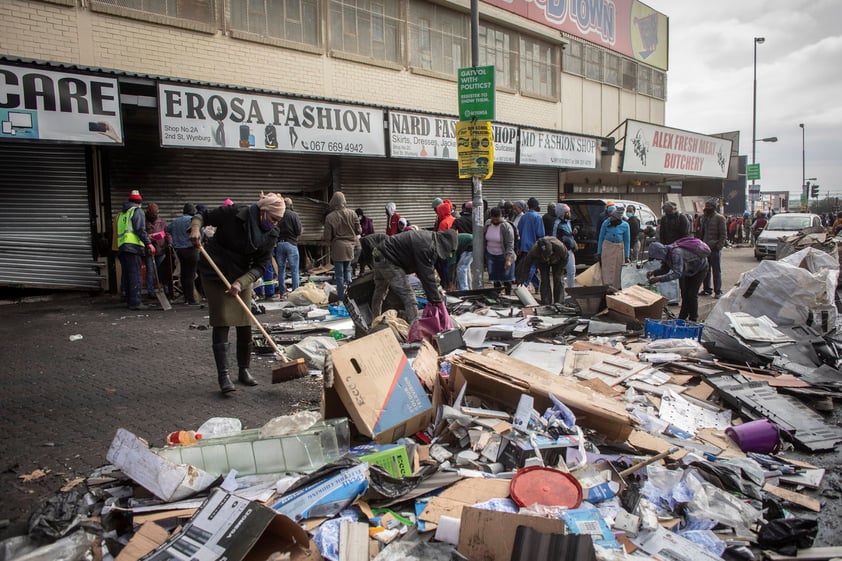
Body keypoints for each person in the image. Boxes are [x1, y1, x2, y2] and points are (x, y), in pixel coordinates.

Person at [189, 193, 284, 395]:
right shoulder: (234, 213)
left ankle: (244, 370)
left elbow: (261, 266)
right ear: (263, 212)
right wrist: (196, 228)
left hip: (242, 275)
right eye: (273, 218)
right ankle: (223, 376)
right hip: (215, 270)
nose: (275, 223)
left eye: (278, 220)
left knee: (245, 320)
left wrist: (241, 282)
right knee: (222, 320)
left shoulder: (271, 234)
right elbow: (202, 215)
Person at [370, 229, 457, 324]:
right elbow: (426, 275)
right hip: (388, 259)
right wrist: (436, 300)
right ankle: (415, 326)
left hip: (379, 254)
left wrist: (438, 290)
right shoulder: (427, 246)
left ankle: (375, 319)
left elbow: (430, 269)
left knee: (380, 290)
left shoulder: (430, 240)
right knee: (408, 295)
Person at [646, 241, 709, 323]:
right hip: (688, 270)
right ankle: (682, 318)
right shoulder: (666, 254)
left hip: (700, 269)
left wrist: (659, 279)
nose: (657, 259)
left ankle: (693, 319)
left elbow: (677, 273)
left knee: (692, 294)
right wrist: (654, 272)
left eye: (656, 257)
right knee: (685, 294)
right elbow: (665, 269)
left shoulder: (676, 253)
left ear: (659, 253)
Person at [117, 190, 156, 310]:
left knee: (128, 275)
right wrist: (149, 243)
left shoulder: (122, 213)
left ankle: (129, 300)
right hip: (132, 247)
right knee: (135, 275)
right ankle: (135, 302)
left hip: (122, 247)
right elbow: (139, 229)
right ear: (139, 202)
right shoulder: (136, 211)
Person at [324, 192, 361, 301]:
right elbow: (359, 230)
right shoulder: (352, 213)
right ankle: (350, 296)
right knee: (348, 270)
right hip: (350, 247)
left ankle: (341, 298)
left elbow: (327, 236)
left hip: (337, 248)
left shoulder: (330, 217)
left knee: (339, 275)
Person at [516, 236, 568, 305]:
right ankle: (546, 302)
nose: (547, 258)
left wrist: (560, 271)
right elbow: (527, 264)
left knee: (558, 279)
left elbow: (565, 258)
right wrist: (523, 279)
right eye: (545, 256)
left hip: (558, 261)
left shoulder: (560, 247)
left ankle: (559, 302)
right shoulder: (534, 251)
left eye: (549, 255)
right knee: (545, 280)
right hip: (542, 262)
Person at [166, 203, 201, 305]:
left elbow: (167, 230)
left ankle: (186, 298)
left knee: (184, 275)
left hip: (179, 251)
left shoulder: (176, 221)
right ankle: (191, 299)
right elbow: (200, 233)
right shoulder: (193, 221)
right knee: (191, 275)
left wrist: (175, 239)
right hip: (191, 249)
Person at [698, 199, 727, 298]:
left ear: (714, 208)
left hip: (714, 248)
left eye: (709, 207)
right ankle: (707, 289)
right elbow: (701, 233)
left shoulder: (720, 218)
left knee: (716, 270)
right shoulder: (704, 218)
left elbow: (723, 234)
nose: (707, 209)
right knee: (705, 270)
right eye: (706, 207)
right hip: (704, 248)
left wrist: (719, 246)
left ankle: (717, 291)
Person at [596, 205, 630, 289]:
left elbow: (627, 241)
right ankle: (607, 287)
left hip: (619, 248)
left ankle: (616, 288)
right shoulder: (606, 223)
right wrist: (599, 252)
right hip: (607, 247)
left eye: (612, 217)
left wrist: (626, 256)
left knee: (618, 270)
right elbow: (601, 238)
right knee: (607, 270)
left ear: (617, 219)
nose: (610, 218)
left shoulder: (625, 225)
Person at [275, 197, 302, 300]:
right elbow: (298, 231)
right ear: (291, 205)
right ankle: (295, 294)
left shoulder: (278, 215)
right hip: (291, 244)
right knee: (294, 270)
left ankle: (282, 294)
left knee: (281, 270)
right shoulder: (293, 215)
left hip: (280, 244)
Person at [484, 207, 516, 295]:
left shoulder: (506, 226)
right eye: (493, 218)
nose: (495, 220)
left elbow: (510, 244)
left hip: (504, 256)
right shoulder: (488, 224)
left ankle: (508, 296)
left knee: (506, 279)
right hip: (491, 255)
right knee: (495, 278)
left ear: (501, 216)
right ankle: (497, 296)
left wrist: (508, 259)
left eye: (497, 218)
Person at [517, 197, 545, 290]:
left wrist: (518, 246)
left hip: (524, 246)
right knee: (531, 266)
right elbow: (540, 234)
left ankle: (536, 284)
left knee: (527, 265)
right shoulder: (537, 217)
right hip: (534, 246)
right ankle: (524, 285)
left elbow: (519, 232)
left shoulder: (523, 217)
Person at [144, 202, 168, 299]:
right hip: (149, 250)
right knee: (150, 271)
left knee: (162, 270)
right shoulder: (144, 222)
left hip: (160, 249)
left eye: (156, 214)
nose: (154, 215)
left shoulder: (161, 221)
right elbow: (141, 234)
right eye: (153, 214)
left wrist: (169, 242)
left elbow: (167, 233)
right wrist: (149, 240)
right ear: (148, 213)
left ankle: (166, 289)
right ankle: (151, 291)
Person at [552, 203, 577, 290]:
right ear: (562, 213)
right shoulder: (557, 223)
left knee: (572, 271)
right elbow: (554, 238)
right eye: (567, 212)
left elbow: (569, 235)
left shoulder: (568, 222)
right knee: (560, 272)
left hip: (570, 250)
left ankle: (571, 289)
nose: (569, 214)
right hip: (561, 251)